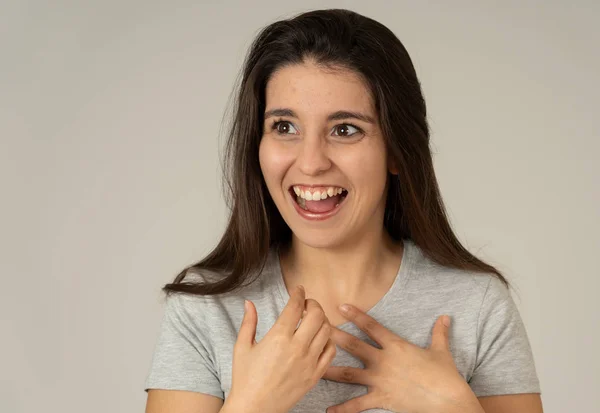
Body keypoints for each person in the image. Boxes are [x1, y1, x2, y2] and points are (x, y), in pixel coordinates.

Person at [144, 8, 543, 413]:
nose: (312, 162)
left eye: (345, 130)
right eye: (285, 127)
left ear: (397, 151)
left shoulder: (476, 306)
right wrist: (253, 404)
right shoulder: (207, 308)